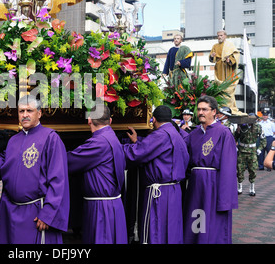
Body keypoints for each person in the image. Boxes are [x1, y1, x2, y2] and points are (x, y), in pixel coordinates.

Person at [0, 95, 70, 244]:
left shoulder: (51, 138)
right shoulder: (13, 141)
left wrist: (48, 213)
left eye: (30, 110)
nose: (25, 115)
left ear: (39, 113)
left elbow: (58, 180)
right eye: (21, 111)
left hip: (36, 214)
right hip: (12, 212)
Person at [123, 105, 189, 244]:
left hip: (158, 192)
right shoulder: (177, 135)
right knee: (170, 229)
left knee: (154, 229)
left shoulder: (160, 134)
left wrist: (118, 147)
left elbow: (136, 154)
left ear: (154, 119)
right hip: (174, 190)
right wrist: (137, 141)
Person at [66, 105, 127, 244]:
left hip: (102, 209)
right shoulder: (112, 137)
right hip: (112, 204)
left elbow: (69, 161)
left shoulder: (98, 142)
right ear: (110, 121)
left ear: (89, 120)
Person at [183, 95, 238, 244]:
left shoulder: (223, 132)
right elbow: (181, 154)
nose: (201, 112)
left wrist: (225, 199)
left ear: (214, 111)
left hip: (214, 186)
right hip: (196, 186)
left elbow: (229, 166)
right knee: (196, 221)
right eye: (199, 109)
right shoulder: (193, 133)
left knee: (213, 225)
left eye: (204, 109)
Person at [209, 31, 242, 115]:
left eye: (221, 35)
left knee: (228, 89)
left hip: (227, 69)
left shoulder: (230, 45)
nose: (219, 37)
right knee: (219, 87)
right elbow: (211, 59)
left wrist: (229, 60)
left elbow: (235, 55)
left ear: (225, 36)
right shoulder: (215, 46)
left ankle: (229, 107)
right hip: (219, 68)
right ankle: (220, 106)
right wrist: (212, 56)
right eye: (218, 35)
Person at [235, 114, 266, 196]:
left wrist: (260, 148)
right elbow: (235, 136)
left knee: (253, 170)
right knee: (239, 169)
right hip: (242, 150)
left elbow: (263, 139)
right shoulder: (241, 126)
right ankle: (239, 187)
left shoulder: (258, 127)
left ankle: (252, 188)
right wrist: (234, 146)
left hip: (252, 151)